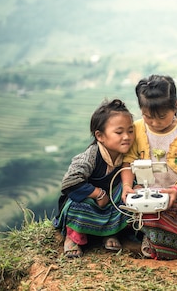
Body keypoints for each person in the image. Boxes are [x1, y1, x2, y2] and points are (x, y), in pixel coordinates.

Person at [121, 74, 177, 260]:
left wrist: (176, 189)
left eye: (161, 117)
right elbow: (129, 160)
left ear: (176, 105)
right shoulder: (138, 128)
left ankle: (151, 240)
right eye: (147, 116)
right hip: (147, 196)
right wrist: (127, 187)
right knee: (133, 216)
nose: (155, 122)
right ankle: (149, 239)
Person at [53, 98, 135, 258]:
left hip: (112, 202)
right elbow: (70, 181)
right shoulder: (91, 155)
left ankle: (111, 232)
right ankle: (73, 237)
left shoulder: (128, 155)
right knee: (78, 205)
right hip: (90, 202)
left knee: (130, 198)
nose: (126, 136)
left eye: (130, 131)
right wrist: (97, 193)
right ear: (100, 136)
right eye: (119, 132)